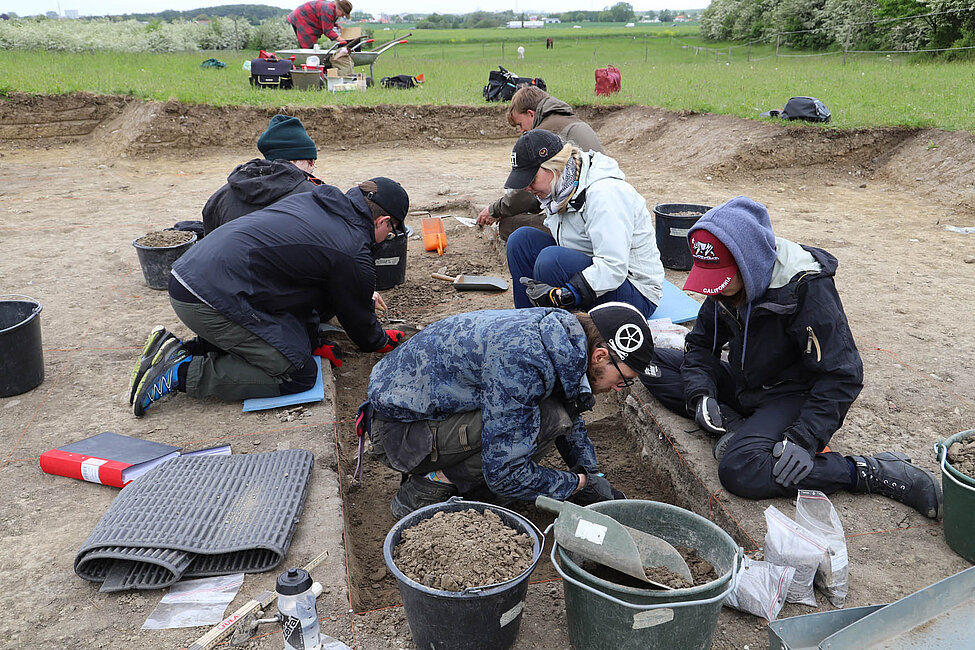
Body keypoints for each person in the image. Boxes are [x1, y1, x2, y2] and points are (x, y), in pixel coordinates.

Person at [640, 196, 943, 519]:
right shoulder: (728, 288)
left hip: (792, 395)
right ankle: (740, 427)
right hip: (749, 383)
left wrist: (804, 437)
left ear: (749, 261)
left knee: (741, 471)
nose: (715, 291)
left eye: (724, 280)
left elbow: (843, 375)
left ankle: (867, 471)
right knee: (647, 362)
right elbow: (700, 345)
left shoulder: (805, 289)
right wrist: (701, 394)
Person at [129, 177, 410, 417]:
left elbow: (307, 292)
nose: (389, 237)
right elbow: (358, 321)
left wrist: (312, 341)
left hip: (192, 277)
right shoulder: (350, 248)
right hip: (207, 299)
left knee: (294, 345)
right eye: (392, 230)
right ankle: (181, 372)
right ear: (383, 221)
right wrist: (381, 341)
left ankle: (181, 350)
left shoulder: (317, 201)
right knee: (296, 371)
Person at [364, 301, 655, 517]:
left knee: (548, 416)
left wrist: (592, 476)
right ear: (601, 355)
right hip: (399, 433)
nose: (620, 389)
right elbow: (505, 473)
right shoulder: (526, 361)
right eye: (624, 381)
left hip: (423, 410)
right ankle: (429, 486)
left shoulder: (561, 336)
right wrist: (576, 485)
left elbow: (571, 404)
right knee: (547, 421)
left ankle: (462, 479)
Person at [504, 129, 664, 320]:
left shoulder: (605, 194)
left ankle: (554, 332)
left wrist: (568, 293)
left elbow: (614, 266)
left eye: (531, 179)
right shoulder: (560, 187)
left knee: (551, 261)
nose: (526, 187)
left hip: (635, 292)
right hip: (595, 269)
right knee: (521, 241)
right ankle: (527, 324)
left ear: (553, 167)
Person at [476, 86, 604, 240]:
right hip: (596, 211)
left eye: (520, 125)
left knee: (508, 225)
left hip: (586, 223)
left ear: (531, 114)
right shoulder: (568, 120)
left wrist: (495, 210)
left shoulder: (546, 136)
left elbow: (528, 194)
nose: (522, 132)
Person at [202, 114, 322, 235]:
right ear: (295, 159)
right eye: (311, 161)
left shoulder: (220, 197)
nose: (312, 168)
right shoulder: (315, 197)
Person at [287, 0, 352, 49]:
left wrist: (335, 25)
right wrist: (340, 39)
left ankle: (311, 62)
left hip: (306, 19)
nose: (343, 16)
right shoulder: (328, 10)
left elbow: (325, 19)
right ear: (339, 9)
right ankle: (308, 63)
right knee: (308, 47)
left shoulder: (332, 8)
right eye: (343, 14)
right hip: (302, 18)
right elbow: (327, 31)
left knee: (311, 47)